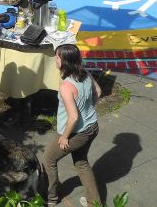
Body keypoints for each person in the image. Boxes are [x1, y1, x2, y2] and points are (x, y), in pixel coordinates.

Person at [42, 44, 102, 207]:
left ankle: (51, 198)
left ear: (64, 61)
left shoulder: (66, 86)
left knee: (48, 159)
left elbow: (74, 117)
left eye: (57, 56)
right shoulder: (85, 74)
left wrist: (64, 137)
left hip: (76, 133)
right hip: (92, 127)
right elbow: (98, 91)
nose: (55, 59)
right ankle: (94, 203)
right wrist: (88, 107)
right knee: (81, 162)